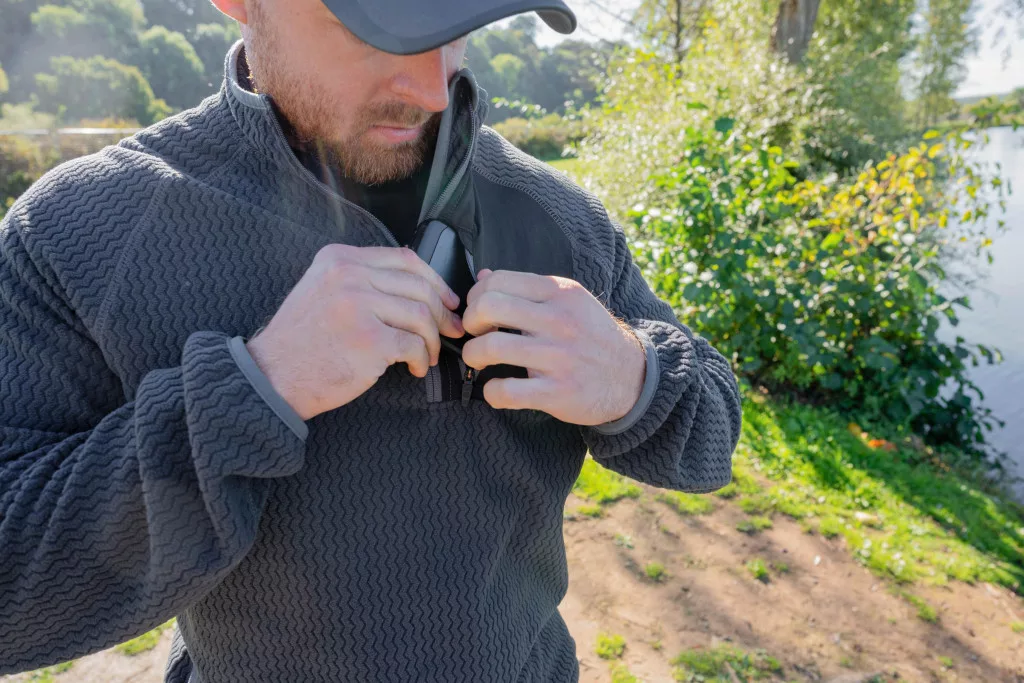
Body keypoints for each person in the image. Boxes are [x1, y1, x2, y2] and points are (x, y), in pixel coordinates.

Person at [0, 0, 742, 680]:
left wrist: (634, 375)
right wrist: (258, 386)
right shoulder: (82, 229)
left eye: (456, 25)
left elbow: (713, 433)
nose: (432, 88)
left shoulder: (558, 215)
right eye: (374, 28)